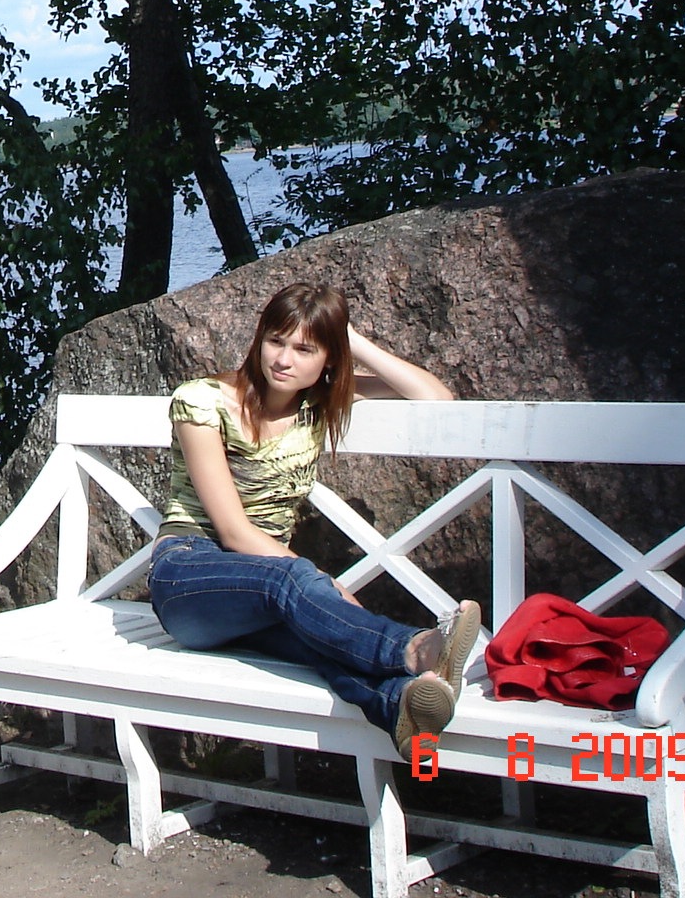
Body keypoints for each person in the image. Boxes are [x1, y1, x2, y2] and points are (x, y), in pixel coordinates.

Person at [146, 281, 480, 757]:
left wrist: (351, 339)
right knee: (292, 581)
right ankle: (413, 648)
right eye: (276, 341)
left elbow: (436, 400)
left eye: (305, 349)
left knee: (320, 641)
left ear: (328, 358)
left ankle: (399, 704)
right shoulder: (203, 401)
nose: (284, 360)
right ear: (259, 339)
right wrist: (324, 584)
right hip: (188, 574)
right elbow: (234, 532)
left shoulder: (319, 403)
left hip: (267, 591)